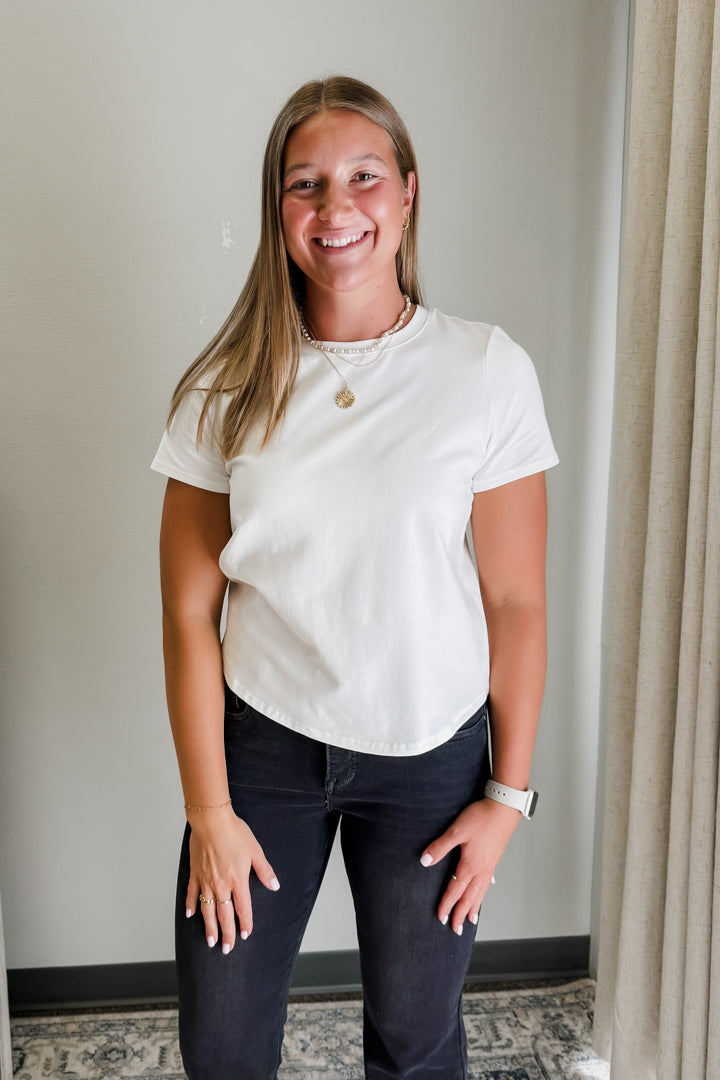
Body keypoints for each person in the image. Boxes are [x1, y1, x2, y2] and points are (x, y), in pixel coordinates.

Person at [152, 75, 558, 1080]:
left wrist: (508, 795)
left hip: (429, 759)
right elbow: (187, 611)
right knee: (222, 1047)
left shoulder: (485, 371)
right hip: (263, 757)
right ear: (278, 209)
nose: (336, 208)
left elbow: (516, 602)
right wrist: (210, 809)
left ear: (407, 192)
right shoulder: (224, 387)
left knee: (417, 1047)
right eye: (306, 184)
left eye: (363, 177)